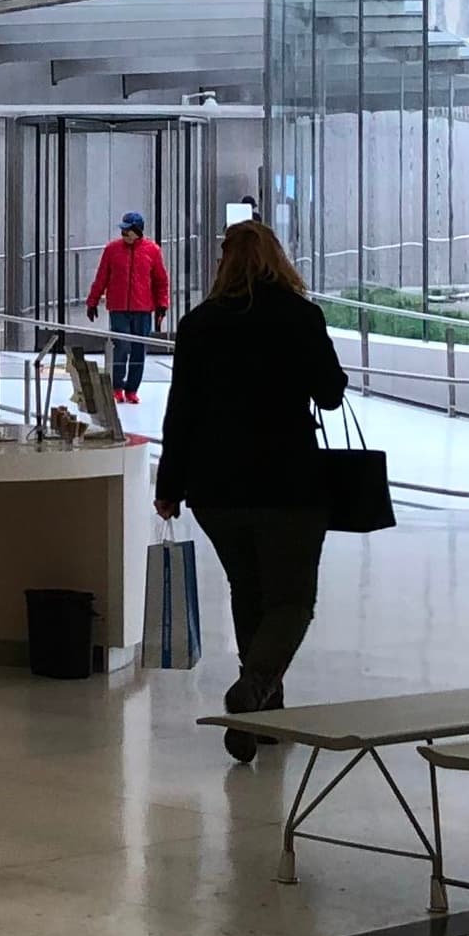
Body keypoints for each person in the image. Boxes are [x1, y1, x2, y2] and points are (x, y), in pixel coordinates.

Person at [152, 219, 348, 760]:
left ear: (224, 263)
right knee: (292, 600)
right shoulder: (300, 317)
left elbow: (180, 412)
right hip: (288, 481)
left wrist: (169, 484)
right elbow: (331, 393)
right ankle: (254, 687)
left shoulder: (199, 323)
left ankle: (262, 715)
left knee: (250, 590)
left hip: (216, 487)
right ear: (277, 259)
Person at [84, 210, 171, 403]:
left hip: (143, 309)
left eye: (127, 230)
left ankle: (132, 389)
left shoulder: (152, 250)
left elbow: (160, 281)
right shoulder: (112, 249)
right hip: (119, 308)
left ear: (137, 231)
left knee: (139, 349)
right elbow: (102, 277)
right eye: (122, 230)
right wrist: (92, 301)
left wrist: (162, 305)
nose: (124, 234)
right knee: (121, 347)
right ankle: (117, 386)